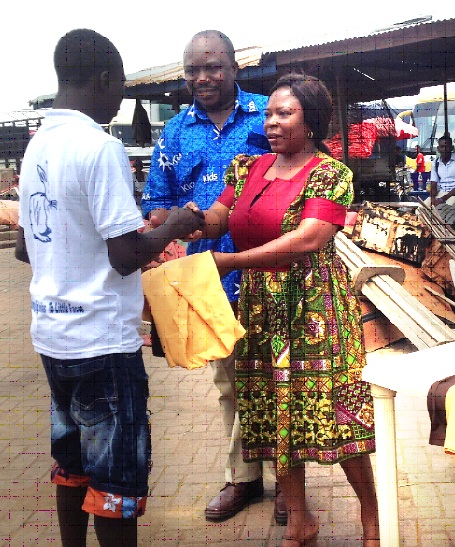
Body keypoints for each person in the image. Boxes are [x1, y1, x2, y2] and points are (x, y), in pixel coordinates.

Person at [14, 29, 205, 547]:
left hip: (53, 338)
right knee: (115, 483)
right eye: (119, 85)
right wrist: (177, 225)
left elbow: (25, 249)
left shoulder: (37, 150)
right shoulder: (99, 148)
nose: (121, 97)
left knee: (70, 463)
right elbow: (124, 257)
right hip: (101, 343)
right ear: (103, 81)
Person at [184, 73, 380, 547]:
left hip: (314, 309)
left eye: (284, 113)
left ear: (310, 121)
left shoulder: (330, 174)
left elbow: (307, 239)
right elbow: (219, 217)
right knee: (274, 415)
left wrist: (229, 260)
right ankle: (298, 522)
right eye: (269, 113)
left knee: (336, 414)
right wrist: (188, 221)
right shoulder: (247, 168)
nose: (271, 122)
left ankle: (373, 518)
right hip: (260, 309)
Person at [140, 30, 281, 524]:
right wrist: (169, 229)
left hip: (271, 270)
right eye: (194, 69)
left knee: (279, 378)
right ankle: (244, 478)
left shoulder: (270, 114)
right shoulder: (175, 132)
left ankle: (291, 481)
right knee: (230, 384)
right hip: (208, 280)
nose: (204, 77)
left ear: (234, 68)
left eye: (214, 66)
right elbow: (155, 204)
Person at [427, 134, 455, 207]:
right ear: (438, 148)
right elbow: (433, 184)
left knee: (443, 209)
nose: (444, 149)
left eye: (447, 147)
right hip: (441, 193)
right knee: (420, 209)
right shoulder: (435, 163)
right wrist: (432, 198)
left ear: (452, 148)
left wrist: (442, 199)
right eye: (442, 147)